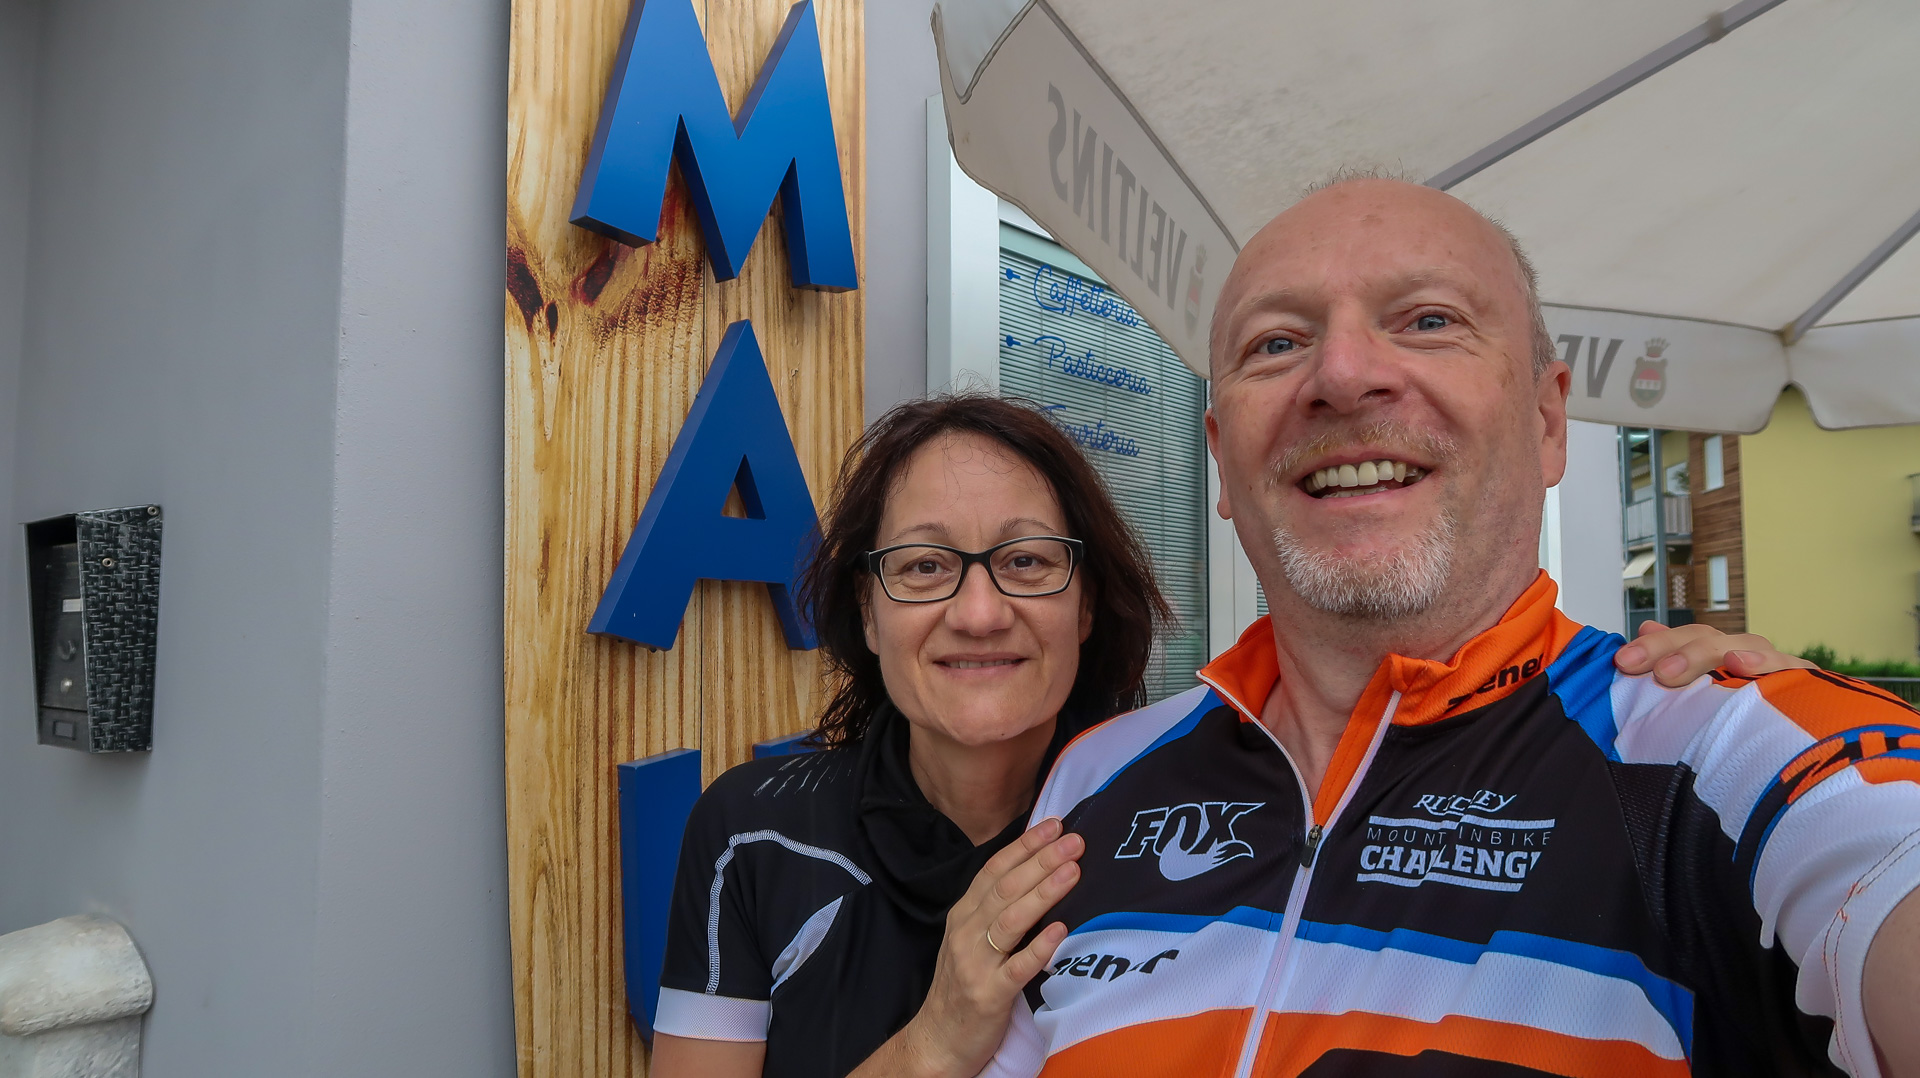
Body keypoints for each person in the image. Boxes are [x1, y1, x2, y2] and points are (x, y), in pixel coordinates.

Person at [979, 176, 1920, 1078]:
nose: (1342, 375)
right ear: (1222, 463)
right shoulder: (1098, 775)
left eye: (1428, 321)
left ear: (1548, 422)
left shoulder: (1724, 751)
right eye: (1276, 342)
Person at [646, 394, 1807, 1078]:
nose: (980, 609)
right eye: (921, 566)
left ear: (1088, 605)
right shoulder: (754, 834)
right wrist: (942, 1033)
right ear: (864, 611)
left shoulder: (1160, 806)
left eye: (1029, 561)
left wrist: (1700, 711)